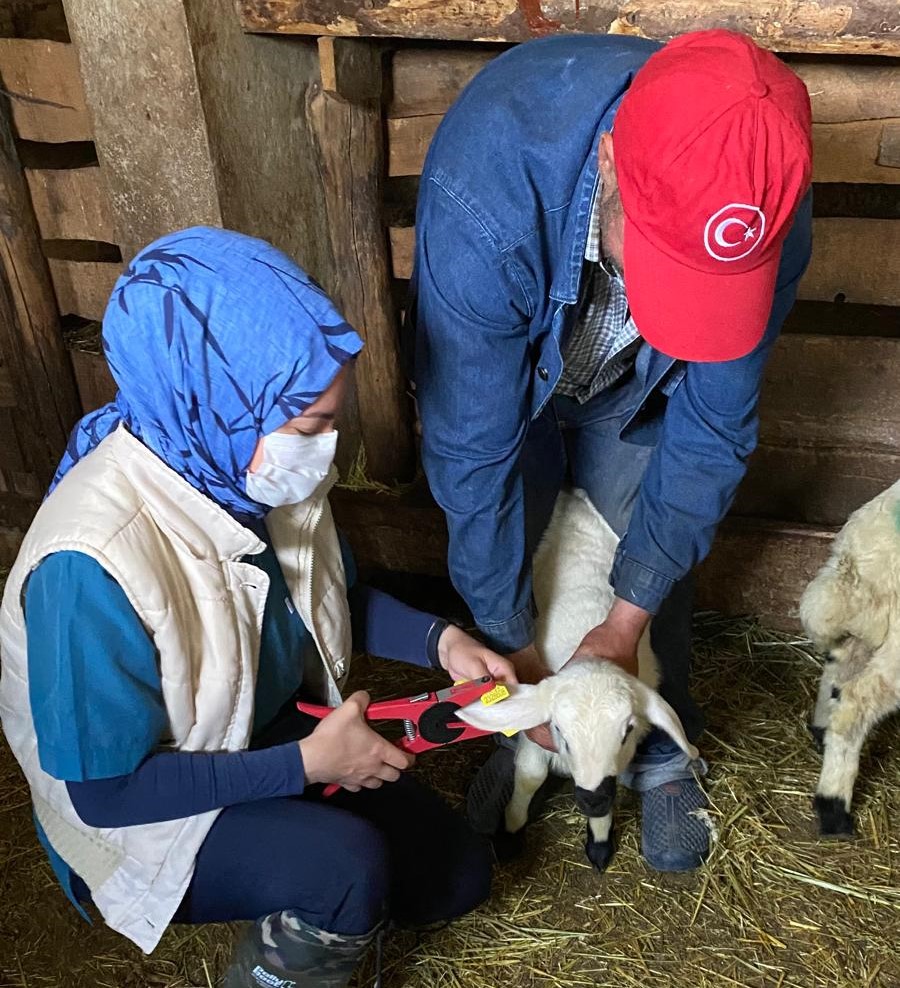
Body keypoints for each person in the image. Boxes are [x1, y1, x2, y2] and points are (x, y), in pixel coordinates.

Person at [0, 227, 516, 987]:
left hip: (248, 724)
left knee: (455, 878)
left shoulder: (236, 466)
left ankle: (319, 880)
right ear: (220, 404)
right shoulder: (91, 563)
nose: (327, 448)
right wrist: (308, 763)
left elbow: (316, 599)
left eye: (332, 421)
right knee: (347, 869)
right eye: (311, 426)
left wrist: (442, 642)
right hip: (144, 809)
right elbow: (105, 794)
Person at [406, 29, 813, 871]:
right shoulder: (487, 181)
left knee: (644, 540)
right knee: (510, 540)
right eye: (667, 262)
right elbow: (471, 448)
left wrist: (625, 623)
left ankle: (662, 747)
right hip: (513, 374)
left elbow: (713, 429)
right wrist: (516, 648)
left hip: (640, 383)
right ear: (610, 162)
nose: (685, 293)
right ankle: (519, 724)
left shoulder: (767, 195)